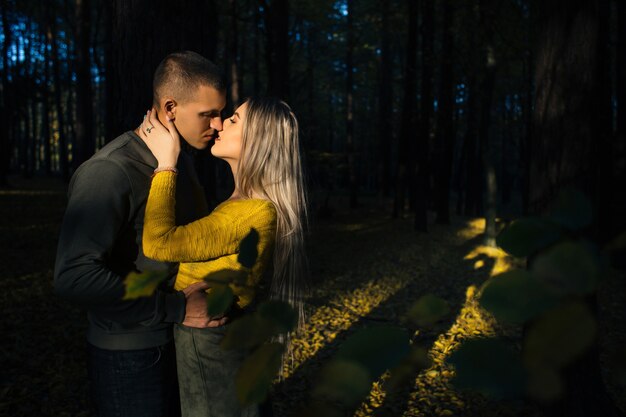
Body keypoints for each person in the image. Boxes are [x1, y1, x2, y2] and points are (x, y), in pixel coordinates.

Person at [54, 51, 227, 417]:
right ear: (169, 108)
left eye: (220, 112)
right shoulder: (109, 171)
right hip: (130, 357)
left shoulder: (179, 162)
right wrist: (175, 308)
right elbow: (73, 277)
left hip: (181, 341)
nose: (220, 124)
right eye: (207, 114)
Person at [138, 96, 308, 417]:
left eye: (234, 120)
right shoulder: (239, 205)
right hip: (212, 341)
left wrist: (166, 165)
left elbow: (159, 243)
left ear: (258, 140)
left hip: (211, 345)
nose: (220, 123)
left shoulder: (251, 212)